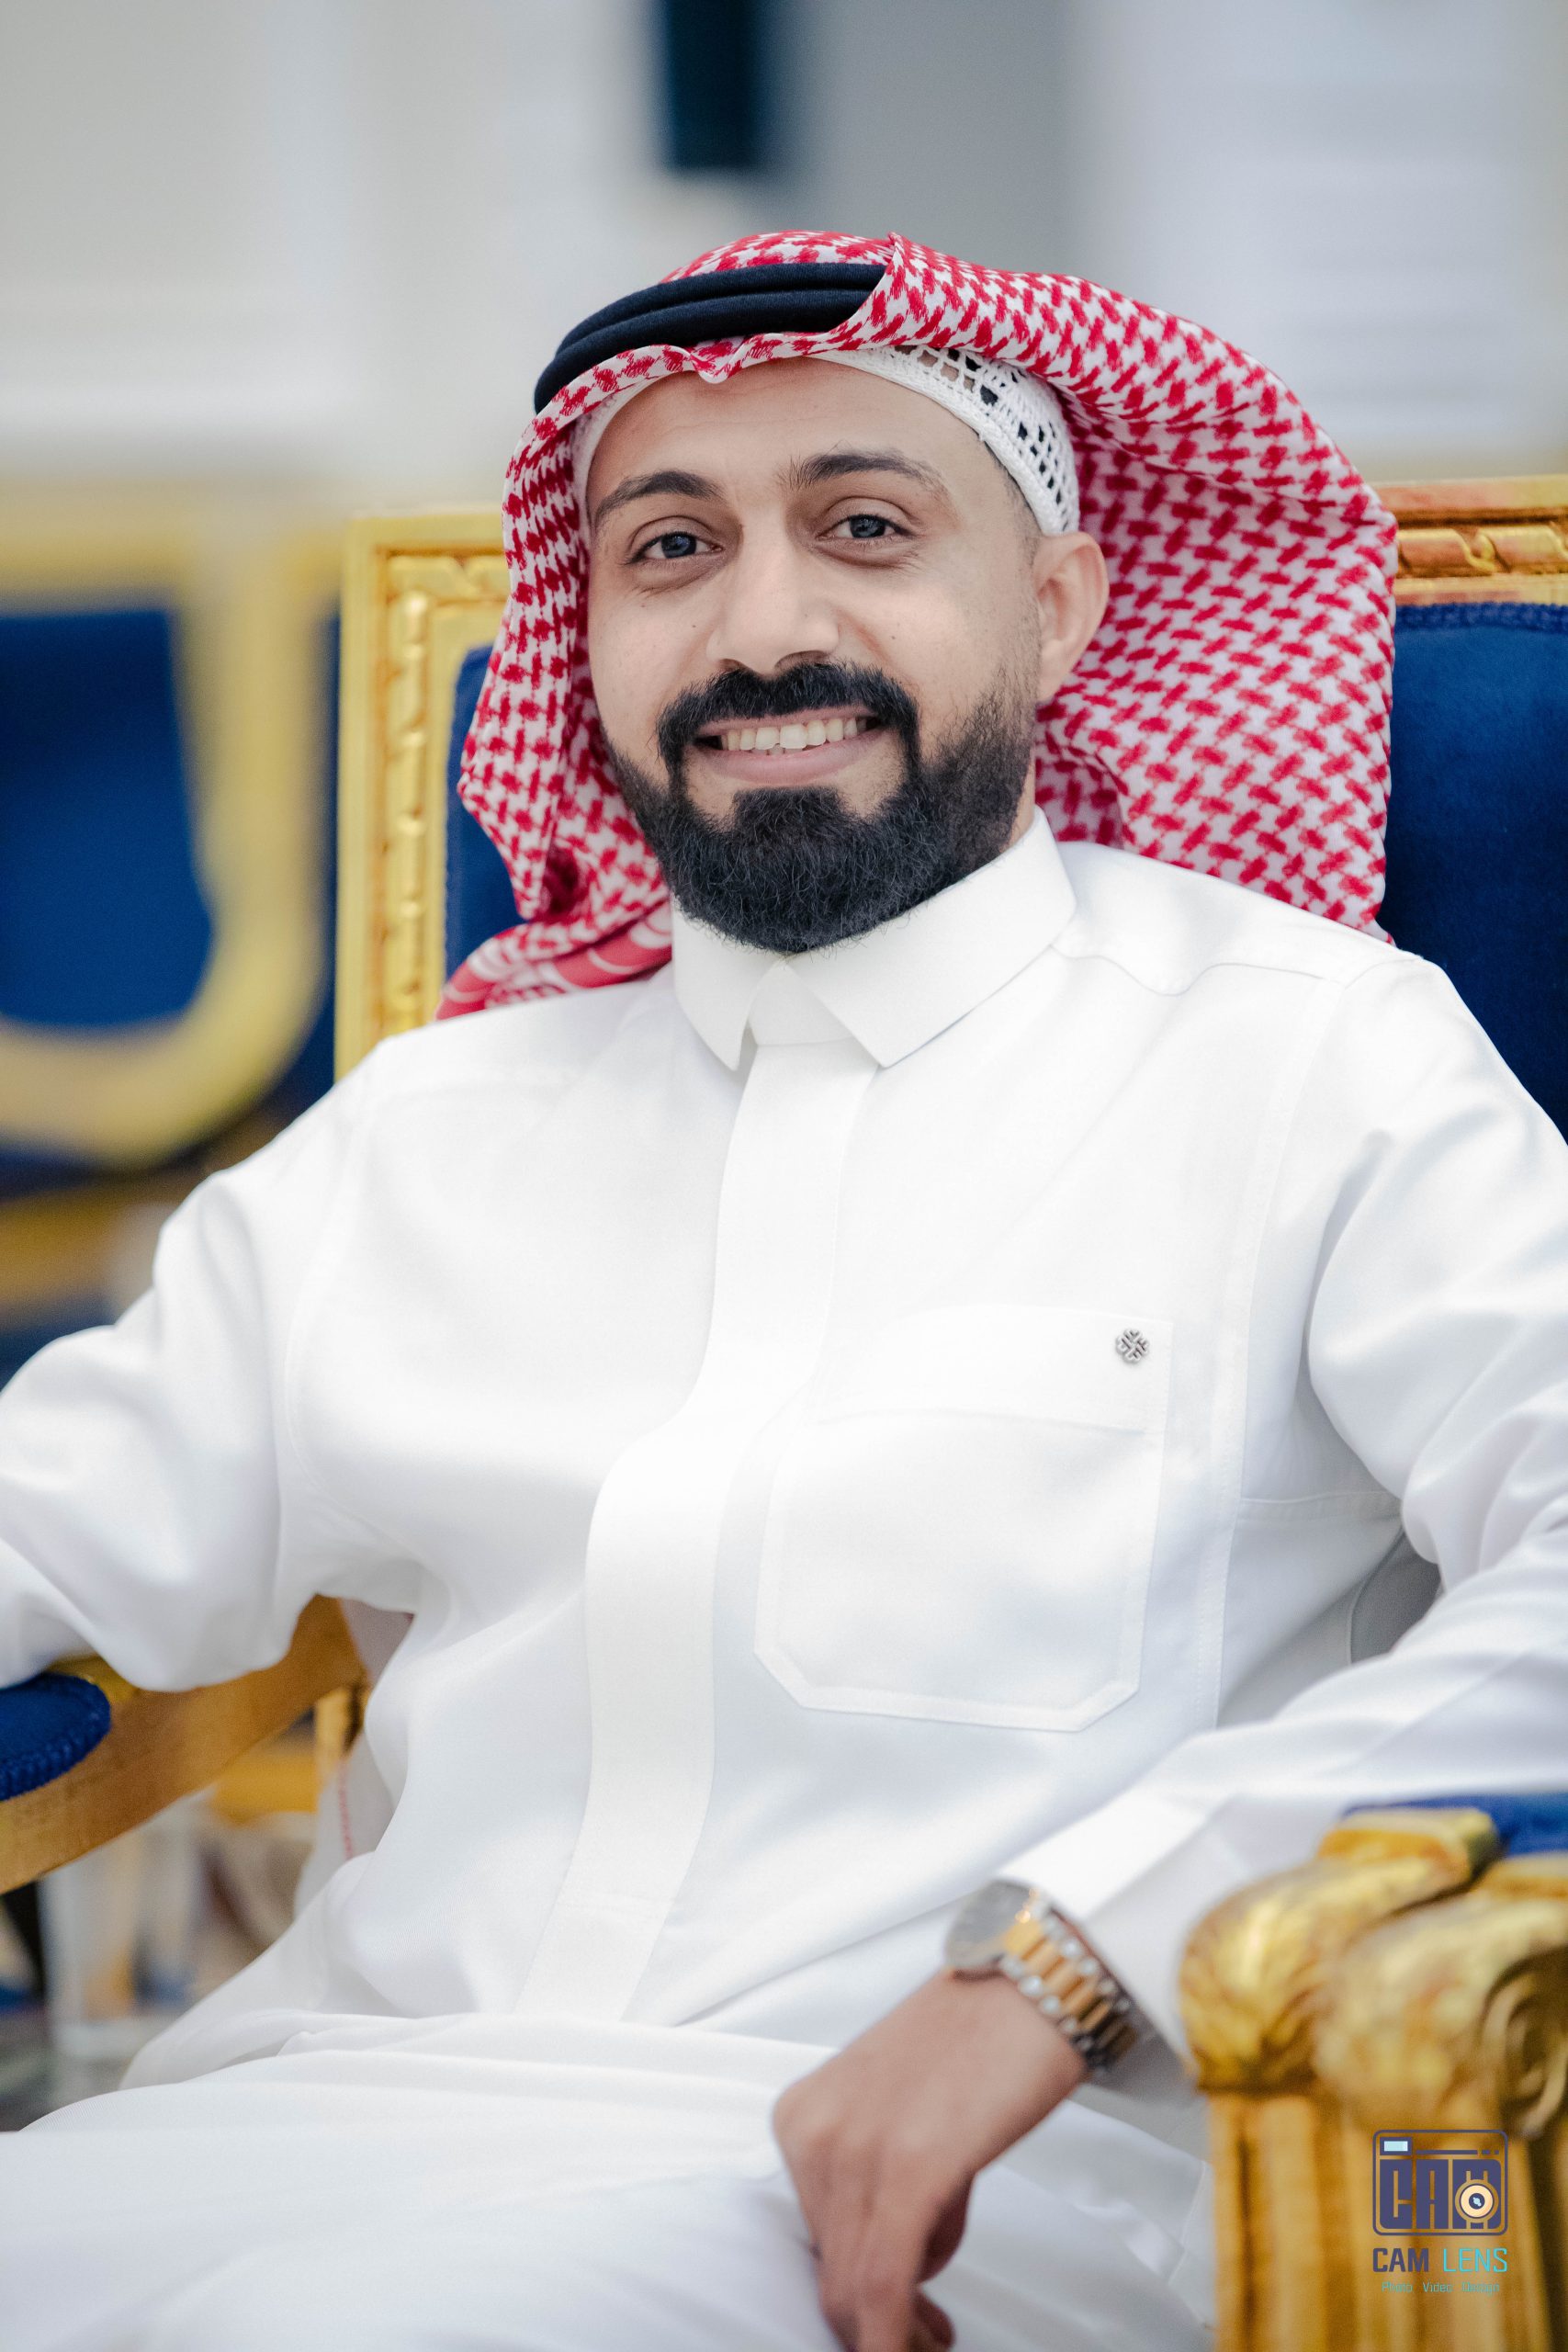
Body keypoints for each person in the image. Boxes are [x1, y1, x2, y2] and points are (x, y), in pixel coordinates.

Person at [2, 228, 1565, 2352]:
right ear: (586, 642)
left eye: (864, 527)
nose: (763, 629)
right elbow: (46, 1520)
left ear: (1057, 604)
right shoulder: (428, 1128)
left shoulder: (1311, 1062)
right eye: (669, 548)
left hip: (1011, 2190)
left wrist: (1065, 1954)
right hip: (317, 2120)